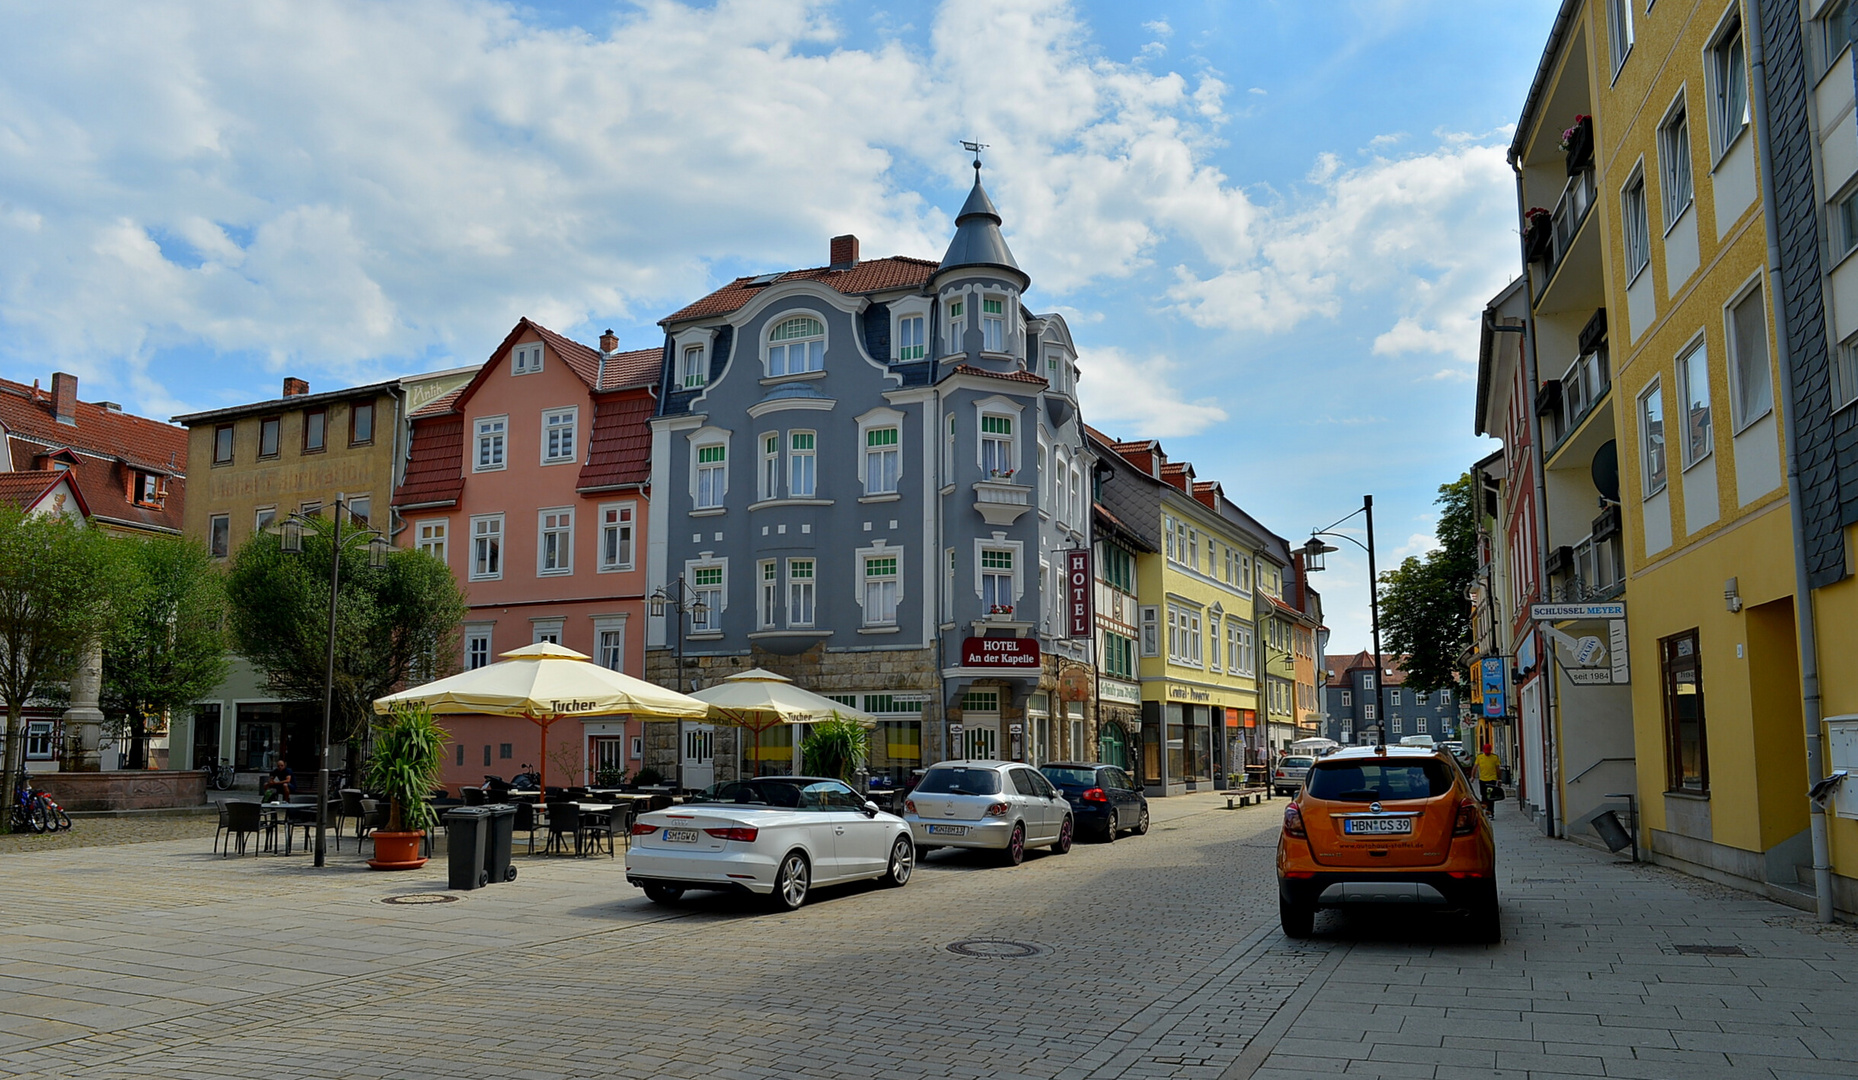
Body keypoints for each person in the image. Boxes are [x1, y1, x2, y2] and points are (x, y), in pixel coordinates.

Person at [1474, 745, 1501, 815]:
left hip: (1492, 779)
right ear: (1483, 750)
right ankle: (1485, 810)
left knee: (1490, 796)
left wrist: (1499, 779)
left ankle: (1491, 811)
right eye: (1486, 752)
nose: (1487, 753)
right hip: (1482, 780)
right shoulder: (1479, 757)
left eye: (1488, 752)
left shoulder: (1495, 757)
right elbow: (1475, 767)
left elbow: (1498, 769)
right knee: (1483, 795)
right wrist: (1472, 776)